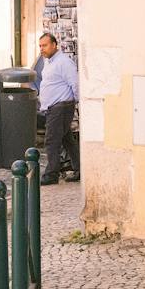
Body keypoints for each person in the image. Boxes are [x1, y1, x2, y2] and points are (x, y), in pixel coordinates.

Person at [37, 30, 80, 185]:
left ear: (54, 45)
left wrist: (75, 101)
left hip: (60, 107)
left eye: (45, 45)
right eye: (40, 46)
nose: (42, 49)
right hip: (54, 107)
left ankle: (51, 174)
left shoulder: (63, 62)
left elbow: (75, 83)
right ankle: (79, 167)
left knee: (51, 140)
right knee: (67, 139)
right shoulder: (49, 62)